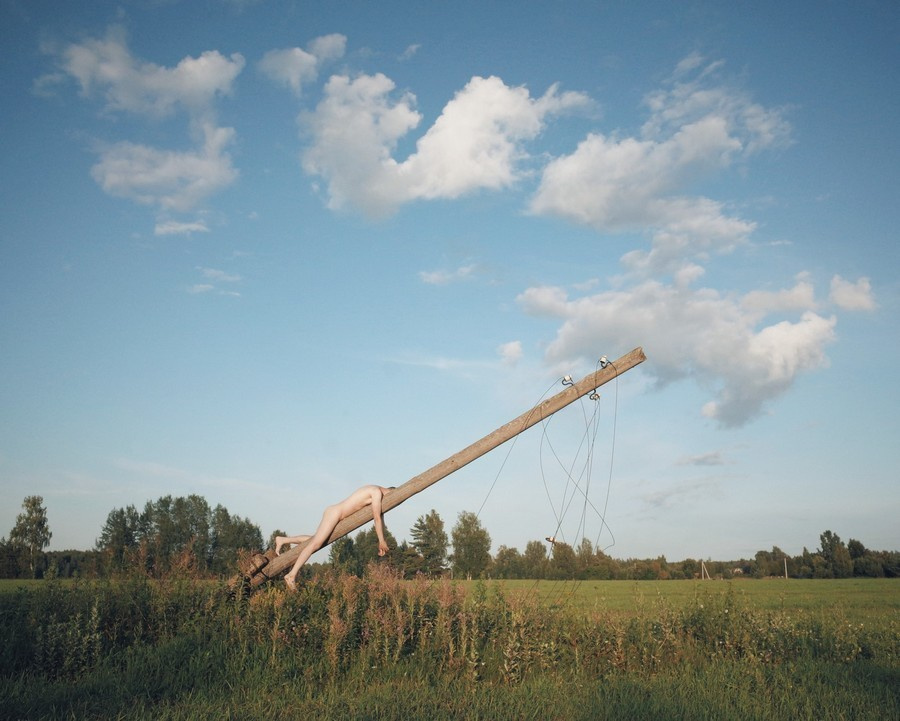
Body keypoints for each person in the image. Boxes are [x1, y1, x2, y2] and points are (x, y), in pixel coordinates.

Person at [276, 484, 393, 590]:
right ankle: (291, 575)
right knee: (315, 545)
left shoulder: (375, 491)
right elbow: (376, 518)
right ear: (390, 492)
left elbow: (380, 518)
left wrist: (382, 539)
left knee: (315, 540)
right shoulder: (376, 492)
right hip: (335, 513)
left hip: (335, 513)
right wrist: (381, 541)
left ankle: (283, 540)